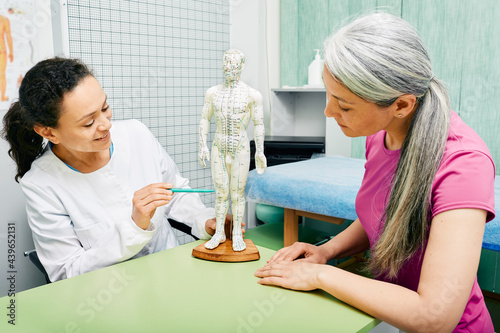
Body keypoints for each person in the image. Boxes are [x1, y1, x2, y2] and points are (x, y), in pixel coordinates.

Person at [255, 13, 495, 332]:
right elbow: (383, 215)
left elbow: (434, 317)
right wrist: (326, 250)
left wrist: (320, 275)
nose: (328, 112)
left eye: (344, 105)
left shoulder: (463, 162)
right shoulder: (379, 136)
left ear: (401, 106)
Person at [2, 57, 238, 282]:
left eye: (105, 108)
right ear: (48, 132)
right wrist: (134, 226)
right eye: (88, 122)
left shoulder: (136, 134)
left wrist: (204, 220)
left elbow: (175, 196)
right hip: (105, 300)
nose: (106, 125)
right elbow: (67, 271)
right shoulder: (41, 184)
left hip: (172, 275)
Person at [199, 49, 266, 252]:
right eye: (225, 62)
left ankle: (236, 233)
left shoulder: (252, 95)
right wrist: (202, 144)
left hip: (240, 147)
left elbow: (259, 123)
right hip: (219, 146)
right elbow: (205, 118)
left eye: (233, 63)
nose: (228, 66)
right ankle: (219, 232)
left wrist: (260, 151)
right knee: (221, 194)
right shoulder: (212, 92)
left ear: (241, 66)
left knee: (237, 195)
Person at [0, 13, 14, 101]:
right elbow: (8, 37)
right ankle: (2, 96)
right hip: (2, 51)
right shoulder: (4, 20)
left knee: (2, 74)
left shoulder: (4, 20)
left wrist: (11, 52)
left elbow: (9, 37)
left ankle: (2, 96)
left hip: (2, 51)